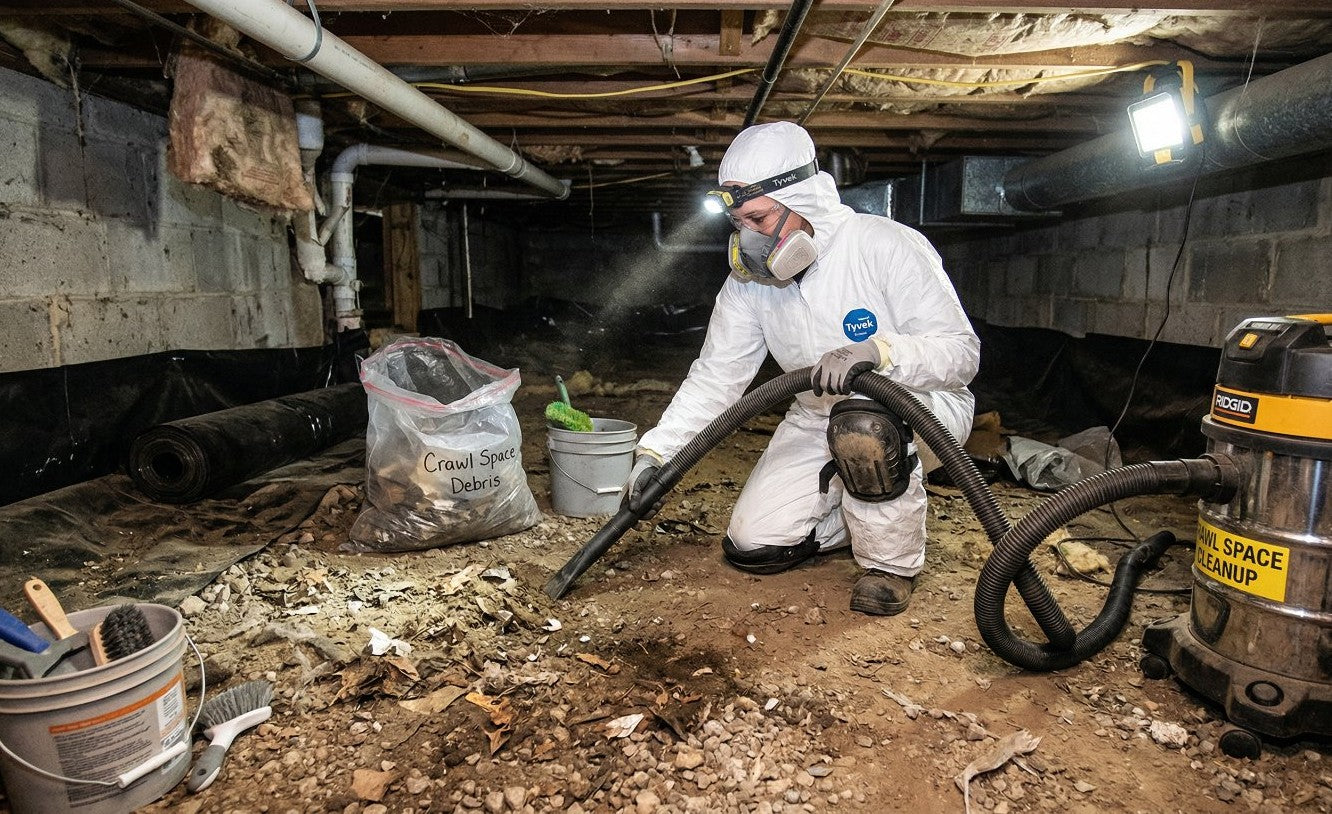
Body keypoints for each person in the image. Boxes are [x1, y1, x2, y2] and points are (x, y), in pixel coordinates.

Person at [622, 121, 978, 616]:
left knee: (864, 427)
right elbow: (716, 377)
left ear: (803, 200)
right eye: (739, 224)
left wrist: (882, 352)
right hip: (815, 416)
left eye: (760, 220)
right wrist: (658, 453)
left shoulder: (884, 245)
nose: (749, 239)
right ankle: (867, 504)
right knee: (752, 544)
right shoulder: (750, 287)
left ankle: (890, 565)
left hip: (919, 409)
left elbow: (962, 353)